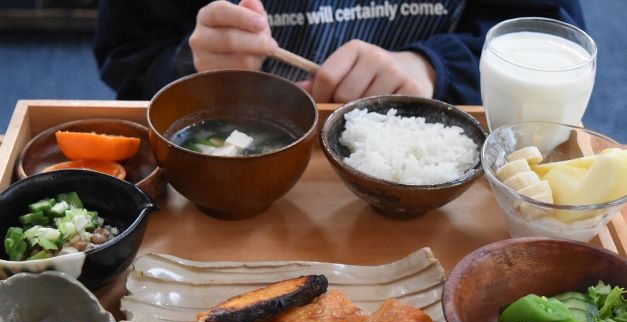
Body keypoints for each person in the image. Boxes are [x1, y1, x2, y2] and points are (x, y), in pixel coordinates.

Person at [94, 0, 584, 104]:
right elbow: (127, 52)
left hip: (437, 157)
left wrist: (432, 66)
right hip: (231, 158)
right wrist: (192, 64)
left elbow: (554, 36)